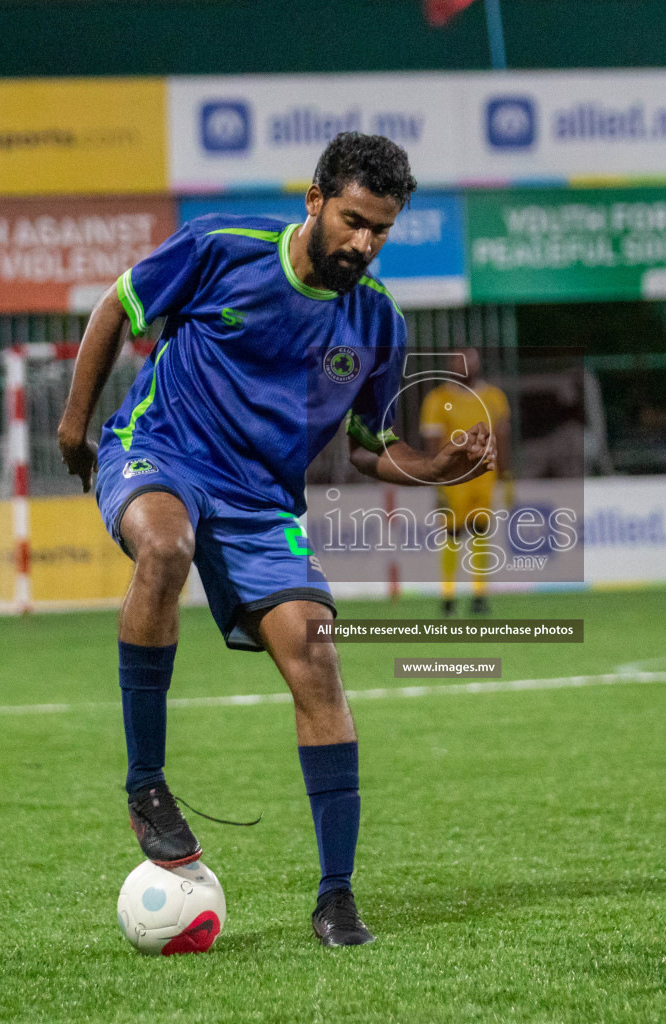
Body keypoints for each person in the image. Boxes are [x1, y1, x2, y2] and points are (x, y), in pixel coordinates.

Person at [56, 133, 495, 947]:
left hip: (260, 506)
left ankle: (336, 896)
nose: (363, 243)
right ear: (316, 200)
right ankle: (147, 785)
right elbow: (117, 306)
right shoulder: (223, 248)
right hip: (161, 452)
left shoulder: (377, 322)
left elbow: (367, 445)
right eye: (354, 221)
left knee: (318, 658)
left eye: (381, 231)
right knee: (165, 548)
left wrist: (436, 463)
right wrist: (76, 428)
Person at [418, 349, 510, 615]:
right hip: (453, 479)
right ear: (450, 365)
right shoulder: (438, 399)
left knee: (481, 532)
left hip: (484, 477)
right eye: (457, 360)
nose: (463, 365)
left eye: (468, 360)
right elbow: (432, 442)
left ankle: (479, 596)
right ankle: (448, 596)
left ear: (478, 364)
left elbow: (502, 438)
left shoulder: (494, 397)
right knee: (452, 535)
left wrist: (507, 475)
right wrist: (435, 480)